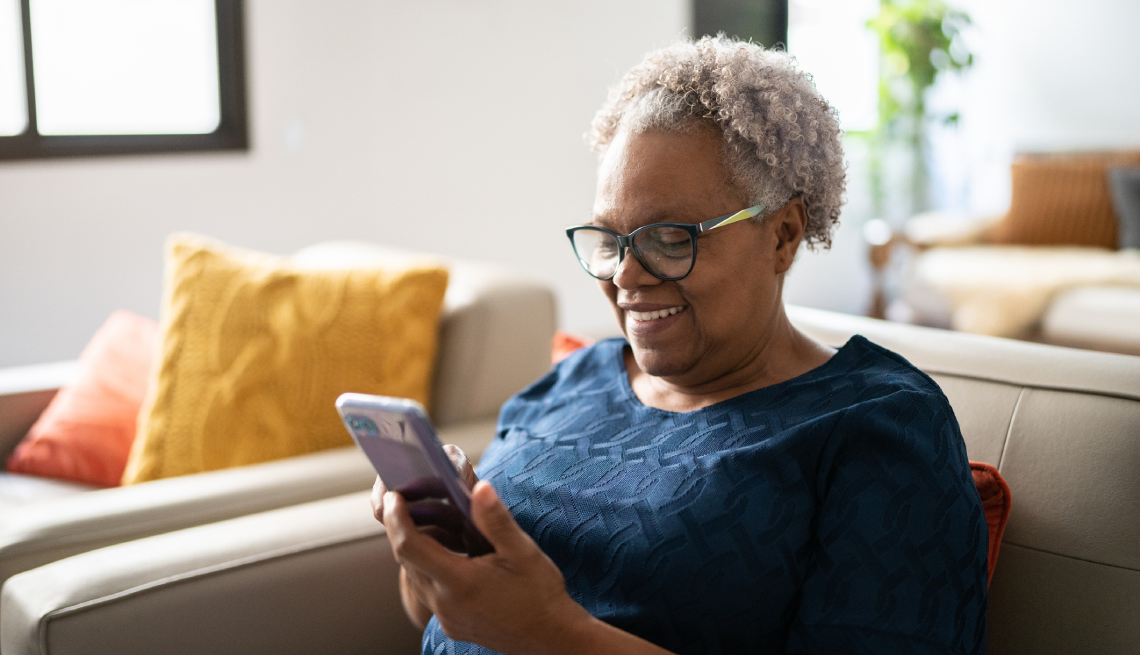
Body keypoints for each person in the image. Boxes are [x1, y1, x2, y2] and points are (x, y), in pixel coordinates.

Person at [372, 36, 988, 655]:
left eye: (669, 238)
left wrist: (550, 634)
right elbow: (433, 616)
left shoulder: (877, 425)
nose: (626, 275)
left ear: (783, 234)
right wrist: (436, 553)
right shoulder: (568, 383)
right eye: (610, 241)